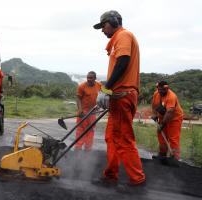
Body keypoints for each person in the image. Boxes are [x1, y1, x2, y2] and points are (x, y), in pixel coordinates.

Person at [93, 10, 146, 186]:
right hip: (118, 97)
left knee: (123, 138)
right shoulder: (118, 39)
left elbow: (123, 62)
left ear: (115, 21)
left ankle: (137, 179)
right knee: (111, 137)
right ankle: (110, 175)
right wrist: (106, 93)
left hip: (123, 96)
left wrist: (106, 88)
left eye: (104, 25)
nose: (102, 30)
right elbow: (119, 70)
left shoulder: (124, 35)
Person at [151, 81, 183, 161]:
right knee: (161, 135)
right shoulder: (156, 94)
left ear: (167, 89)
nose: (160, 92)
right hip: (163, 117)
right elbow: (154, 105)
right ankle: (162, 155)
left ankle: (175, 158)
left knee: (173, 138)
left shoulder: (171, 96)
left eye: (163, 90)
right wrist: (154, 114)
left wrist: (162, 125)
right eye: (159, 90)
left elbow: (169, 112)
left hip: (174, 118)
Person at [75, 71, 101, 151]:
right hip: (83, 112)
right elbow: (78, 98)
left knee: (90, 131)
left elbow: (104, 93)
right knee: (80, 131)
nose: (89, 79)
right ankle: (78, 149)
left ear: (95, 78)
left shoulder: (99, 85)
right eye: (88, 77)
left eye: (91, 78)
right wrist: (80, 110)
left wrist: (99, 105)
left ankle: (88, 149)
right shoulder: (82, 86)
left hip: (93, 112)